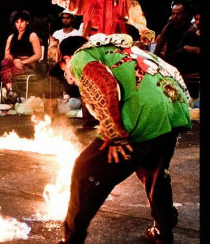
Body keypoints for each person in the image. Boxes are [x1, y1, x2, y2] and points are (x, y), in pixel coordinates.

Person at [56, 34, 191, 244]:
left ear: (65, 59)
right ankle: (163, 229)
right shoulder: (129, 50)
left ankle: (72, 238)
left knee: (84, 171)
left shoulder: (80, 56)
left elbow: (103, 81)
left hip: (139, 118)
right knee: (153, 171)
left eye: (63, 69)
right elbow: (172, 73)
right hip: (170, 113)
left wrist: (114, 131)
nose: (67, 74)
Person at [0, 10, 42, 103]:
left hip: (28, 64)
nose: (19, 24)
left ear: (27, 22)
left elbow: (38, 55)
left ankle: (10, 92)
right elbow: (6, 55)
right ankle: (11, 91)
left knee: (6, 69)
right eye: (17, 22)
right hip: (14, 64)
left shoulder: (32, 35)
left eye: (22, 21)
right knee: (5, 63)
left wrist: (22, 62)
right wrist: (15, 60)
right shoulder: (11, 37)